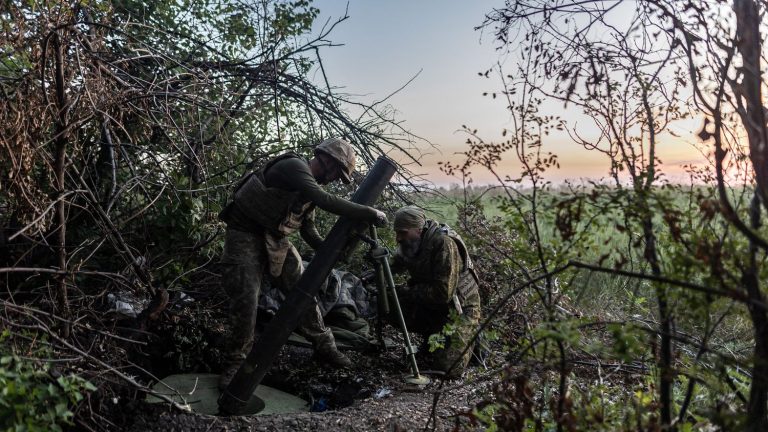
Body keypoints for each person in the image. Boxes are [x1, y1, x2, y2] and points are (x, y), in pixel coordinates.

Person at [217, 138, 387, 390]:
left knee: (303, 290)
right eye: (336, 173)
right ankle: (235, 363)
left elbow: (308, 230)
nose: (333, 180)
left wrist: (330, 251)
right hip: (245, 232)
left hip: (275, 240)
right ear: (326, 159)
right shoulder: (294, 167)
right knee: (246, 299)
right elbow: (325, 199)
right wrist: (369, 213)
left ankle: (324, 345)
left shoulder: (308, 190)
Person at [389, 206, 481, 378]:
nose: (398, 238)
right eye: (397, 233)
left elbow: (442, 293)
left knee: (448, 370)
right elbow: (394, 265)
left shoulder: (443, 243)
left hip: (459, 310)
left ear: (418, 229)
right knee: (388, 303)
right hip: (432, 306)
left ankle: (472, 335)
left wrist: (407, 291)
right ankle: (432, 332)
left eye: (403, 232)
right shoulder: (411, 244)